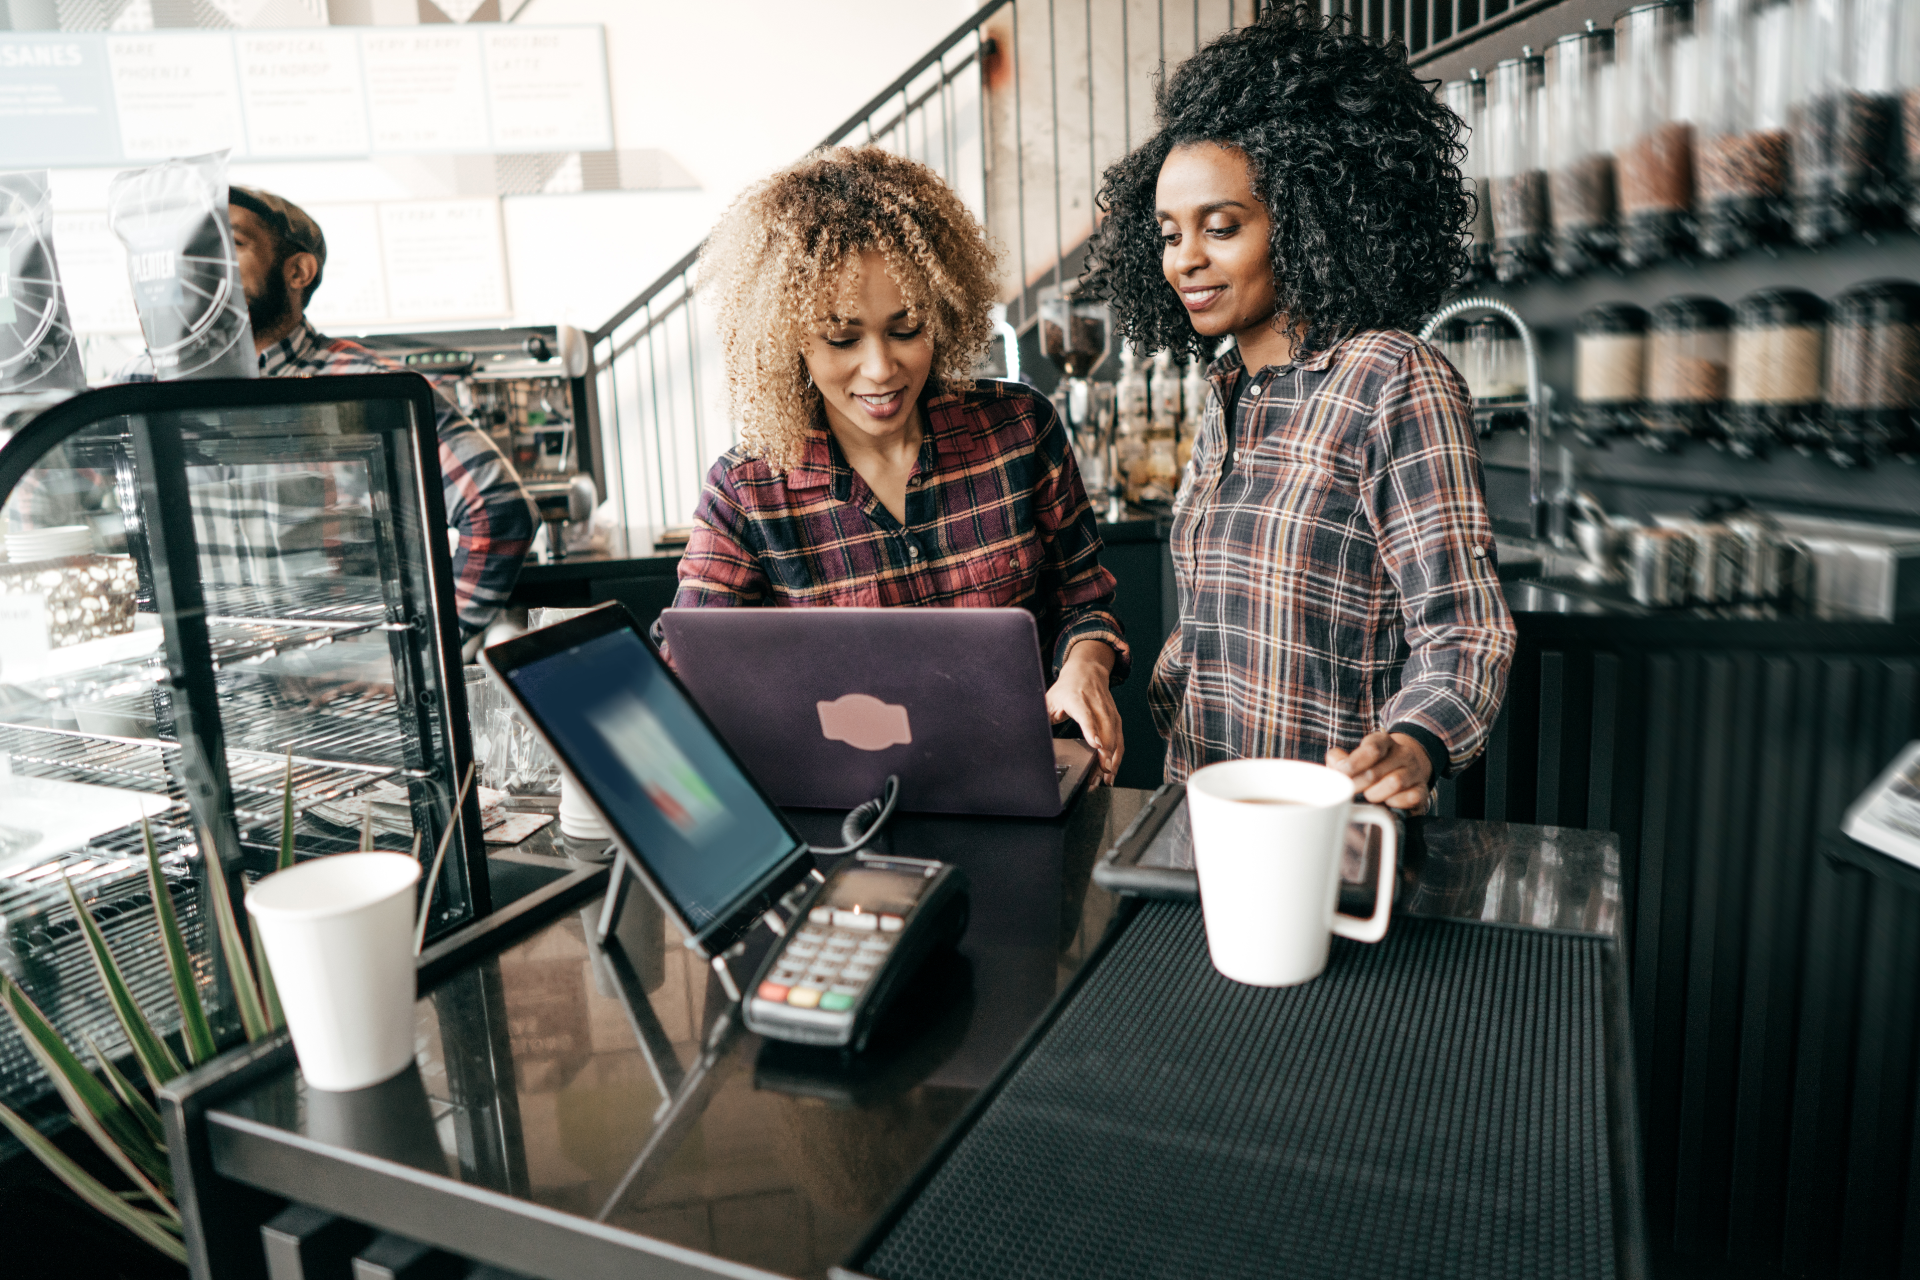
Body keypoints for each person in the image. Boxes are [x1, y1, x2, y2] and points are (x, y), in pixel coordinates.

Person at [1083, 5, 1515, 809]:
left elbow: (1463, 629)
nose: (1187, 261)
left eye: (1221, 227)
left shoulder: (1391, 379)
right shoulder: (1229, 395)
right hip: (1203, 809)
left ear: (1311, 216)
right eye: (1169, 234)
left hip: (1330, 829)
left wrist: (1417, 743)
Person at [675, 147, 1129, 783]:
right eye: (841, 338)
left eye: (907, 328)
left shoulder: (1020, 430)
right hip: (850, 810)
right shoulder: (748, 490)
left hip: (1017, 782)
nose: (881, 368)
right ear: (788, 339)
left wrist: (1085, 665)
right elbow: (691, 667)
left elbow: (1086, 597)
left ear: (943, 314)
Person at [120, 187, 536, 653]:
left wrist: (419, 653)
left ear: (298, 271)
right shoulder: (140, 382)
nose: (206, 266)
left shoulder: (367, 384)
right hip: (194, 689)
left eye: (232, 244)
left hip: (337, 693)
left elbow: (499, 510)